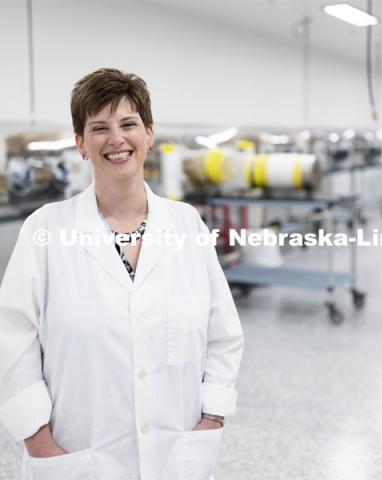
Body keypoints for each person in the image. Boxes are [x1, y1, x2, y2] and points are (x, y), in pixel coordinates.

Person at [0, 68, 244, 480]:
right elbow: (11, 338)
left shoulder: (186, 225)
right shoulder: (45, 229)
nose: (116, 139)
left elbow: (223, 333)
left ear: (149, 134)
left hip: (176, 454)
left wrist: (213, 417)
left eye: (128, 123)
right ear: (80, 143)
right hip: (79, 453)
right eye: (99, 127)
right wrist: (36, 437)